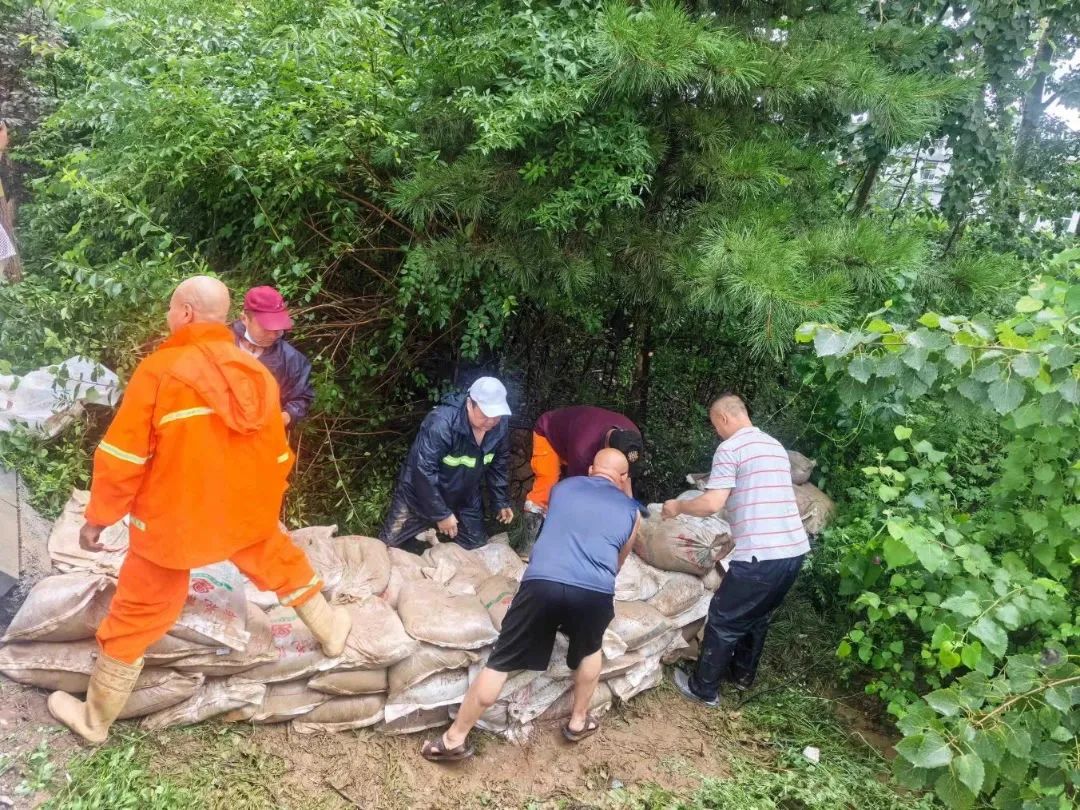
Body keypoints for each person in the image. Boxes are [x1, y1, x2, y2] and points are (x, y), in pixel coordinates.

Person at [47, 276, 352, 744]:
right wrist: (262, 511)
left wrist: (99, 517)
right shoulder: (258, 376)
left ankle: (95, 720)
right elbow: (277, 457)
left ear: (186, 313)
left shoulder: (161, 370)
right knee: (281, 562)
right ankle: (332, 633)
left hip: (175, 521)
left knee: (138, 611)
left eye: (171, 310)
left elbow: (125, 457)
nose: (168, 319)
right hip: (243, 513)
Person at [421, 448, 641, 761]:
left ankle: (453, 740)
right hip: (594, 590)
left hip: (543, 582)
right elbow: (619, 562)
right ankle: (578, 722)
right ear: (623, 478)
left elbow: (552, 531)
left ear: (591, 469)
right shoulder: (632, 511)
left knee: (500, 661)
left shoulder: (563, 488)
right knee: (591, 650)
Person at [661, 394, 808, 707]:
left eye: (716, 425)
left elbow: (712, 503)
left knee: (723, 618)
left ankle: (704, 689)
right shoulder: (773, 446)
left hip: (760, 555)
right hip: (793, 551)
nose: (717, 432)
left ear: (723, 418)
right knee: (757, 616)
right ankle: (741, 676)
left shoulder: (731, 448)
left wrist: (678, 506)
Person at [379, 377, 514, 553]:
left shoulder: (499, 427)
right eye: (486, 414)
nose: (491, 421)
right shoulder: (441, 423)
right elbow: (423, 470)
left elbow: (499, 465)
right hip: (418, 494)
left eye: (496, 415)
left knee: (477, 549)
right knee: (387, 547)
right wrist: (441, 514)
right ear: (469, 404)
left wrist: (500, 501)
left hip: (465, 496)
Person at [524, 406, 643, 514]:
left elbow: (625, 480)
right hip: (550, 435)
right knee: (545, 490)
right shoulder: (583, 451)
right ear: (608, 452)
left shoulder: (633, 438)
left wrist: (630, 508)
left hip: (574, 436)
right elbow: (575, 490)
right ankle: (530, 530)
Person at [230, 285, 315, 427]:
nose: (273, 335)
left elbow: (302, 398)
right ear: (244, 319)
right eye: (266, 328)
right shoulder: (222, 345)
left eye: (277, 328)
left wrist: (285, 417)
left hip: (263, 437)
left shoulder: (291, 360)